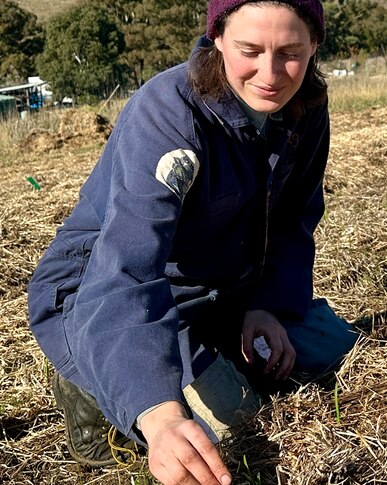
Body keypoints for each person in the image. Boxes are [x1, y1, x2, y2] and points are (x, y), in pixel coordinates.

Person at [26, 1, 358, 484]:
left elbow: (292, 220)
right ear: (217, 38)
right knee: (229, 422)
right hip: (108, 289)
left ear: (314, 47)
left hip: (222, 284)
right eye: (249, 50)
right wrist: (160, 416)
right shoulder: (169, 114)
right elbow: (130, 267)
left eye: (291, 52)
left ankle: (205, 350)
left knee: (333, 349)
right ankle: (89, 379)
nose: (270, 73)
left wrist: (267, 306)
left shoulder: (305, 107)